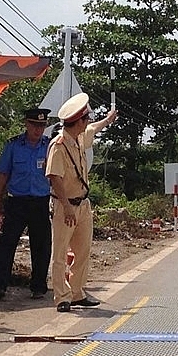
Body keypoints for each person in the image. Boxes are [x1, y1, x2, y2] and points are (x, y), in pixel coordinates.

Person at [46, 93, 118, 312]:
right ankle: (62, 297)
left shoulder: (78, 137)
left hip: (83, 205)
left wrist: (108, 119)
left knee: (83, 250)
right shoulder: (58, 146)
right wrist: (67, 207)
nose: (87, 123)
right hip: (64, 205)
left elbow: (93, 129)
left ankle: (77, 292)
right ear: (77, 121)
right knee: (59, 253)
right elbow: (54, 177)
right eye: (85, 119)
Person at [0, 108, 52, 301]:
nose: (38, 130)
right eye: (34, 125)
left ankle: (38, 287)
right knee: (6, 244)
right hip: (17, 201)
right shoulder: (14, 146)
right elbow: (3, 174)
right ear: (26, 124)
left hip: (40, 202)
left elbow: (57, 176)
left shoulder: (49, 147)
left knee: (41, 246)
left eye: (42, 126)